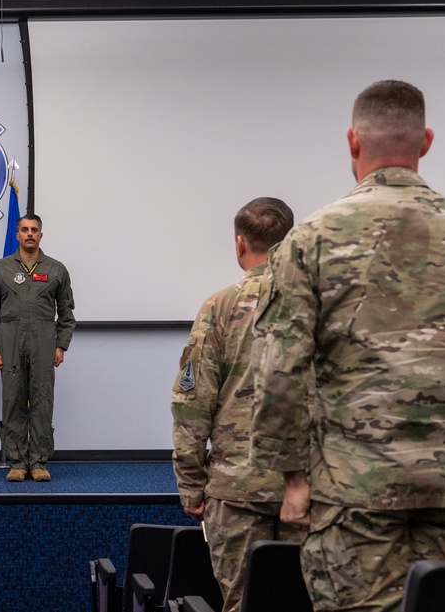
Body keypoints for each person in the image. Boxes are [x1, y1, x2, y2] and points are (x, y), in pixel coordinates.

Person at [251, 80, 445, 612]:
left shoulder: (311, 238)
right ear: (427, 142)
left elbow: (280, 369)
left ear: (352, 142)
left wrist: (292, 478)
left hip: (353, 486)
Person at [171, 197, 304, 612]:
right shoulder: (319, 304)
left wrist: (191, 485)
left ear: (239, 244)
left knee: (243, 603)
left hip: (237, 489)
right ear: (291, 243)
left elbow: (192, 404)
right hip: (310, 489)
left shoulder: (220, 307)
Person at [0, 214, 75, 482]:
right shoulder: (1, 268)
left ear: (41, 235)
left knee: (42, 401)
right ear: (17, 235)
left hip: (43, 342)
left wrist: (61, 345)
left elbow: (67, 313)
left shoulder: (57, 269)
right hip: (10, 341)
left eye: (34, 230)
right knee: (12, 402)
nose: (29, 234)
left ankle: (39, 462)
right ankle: (17, 462)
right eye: (24, 229)